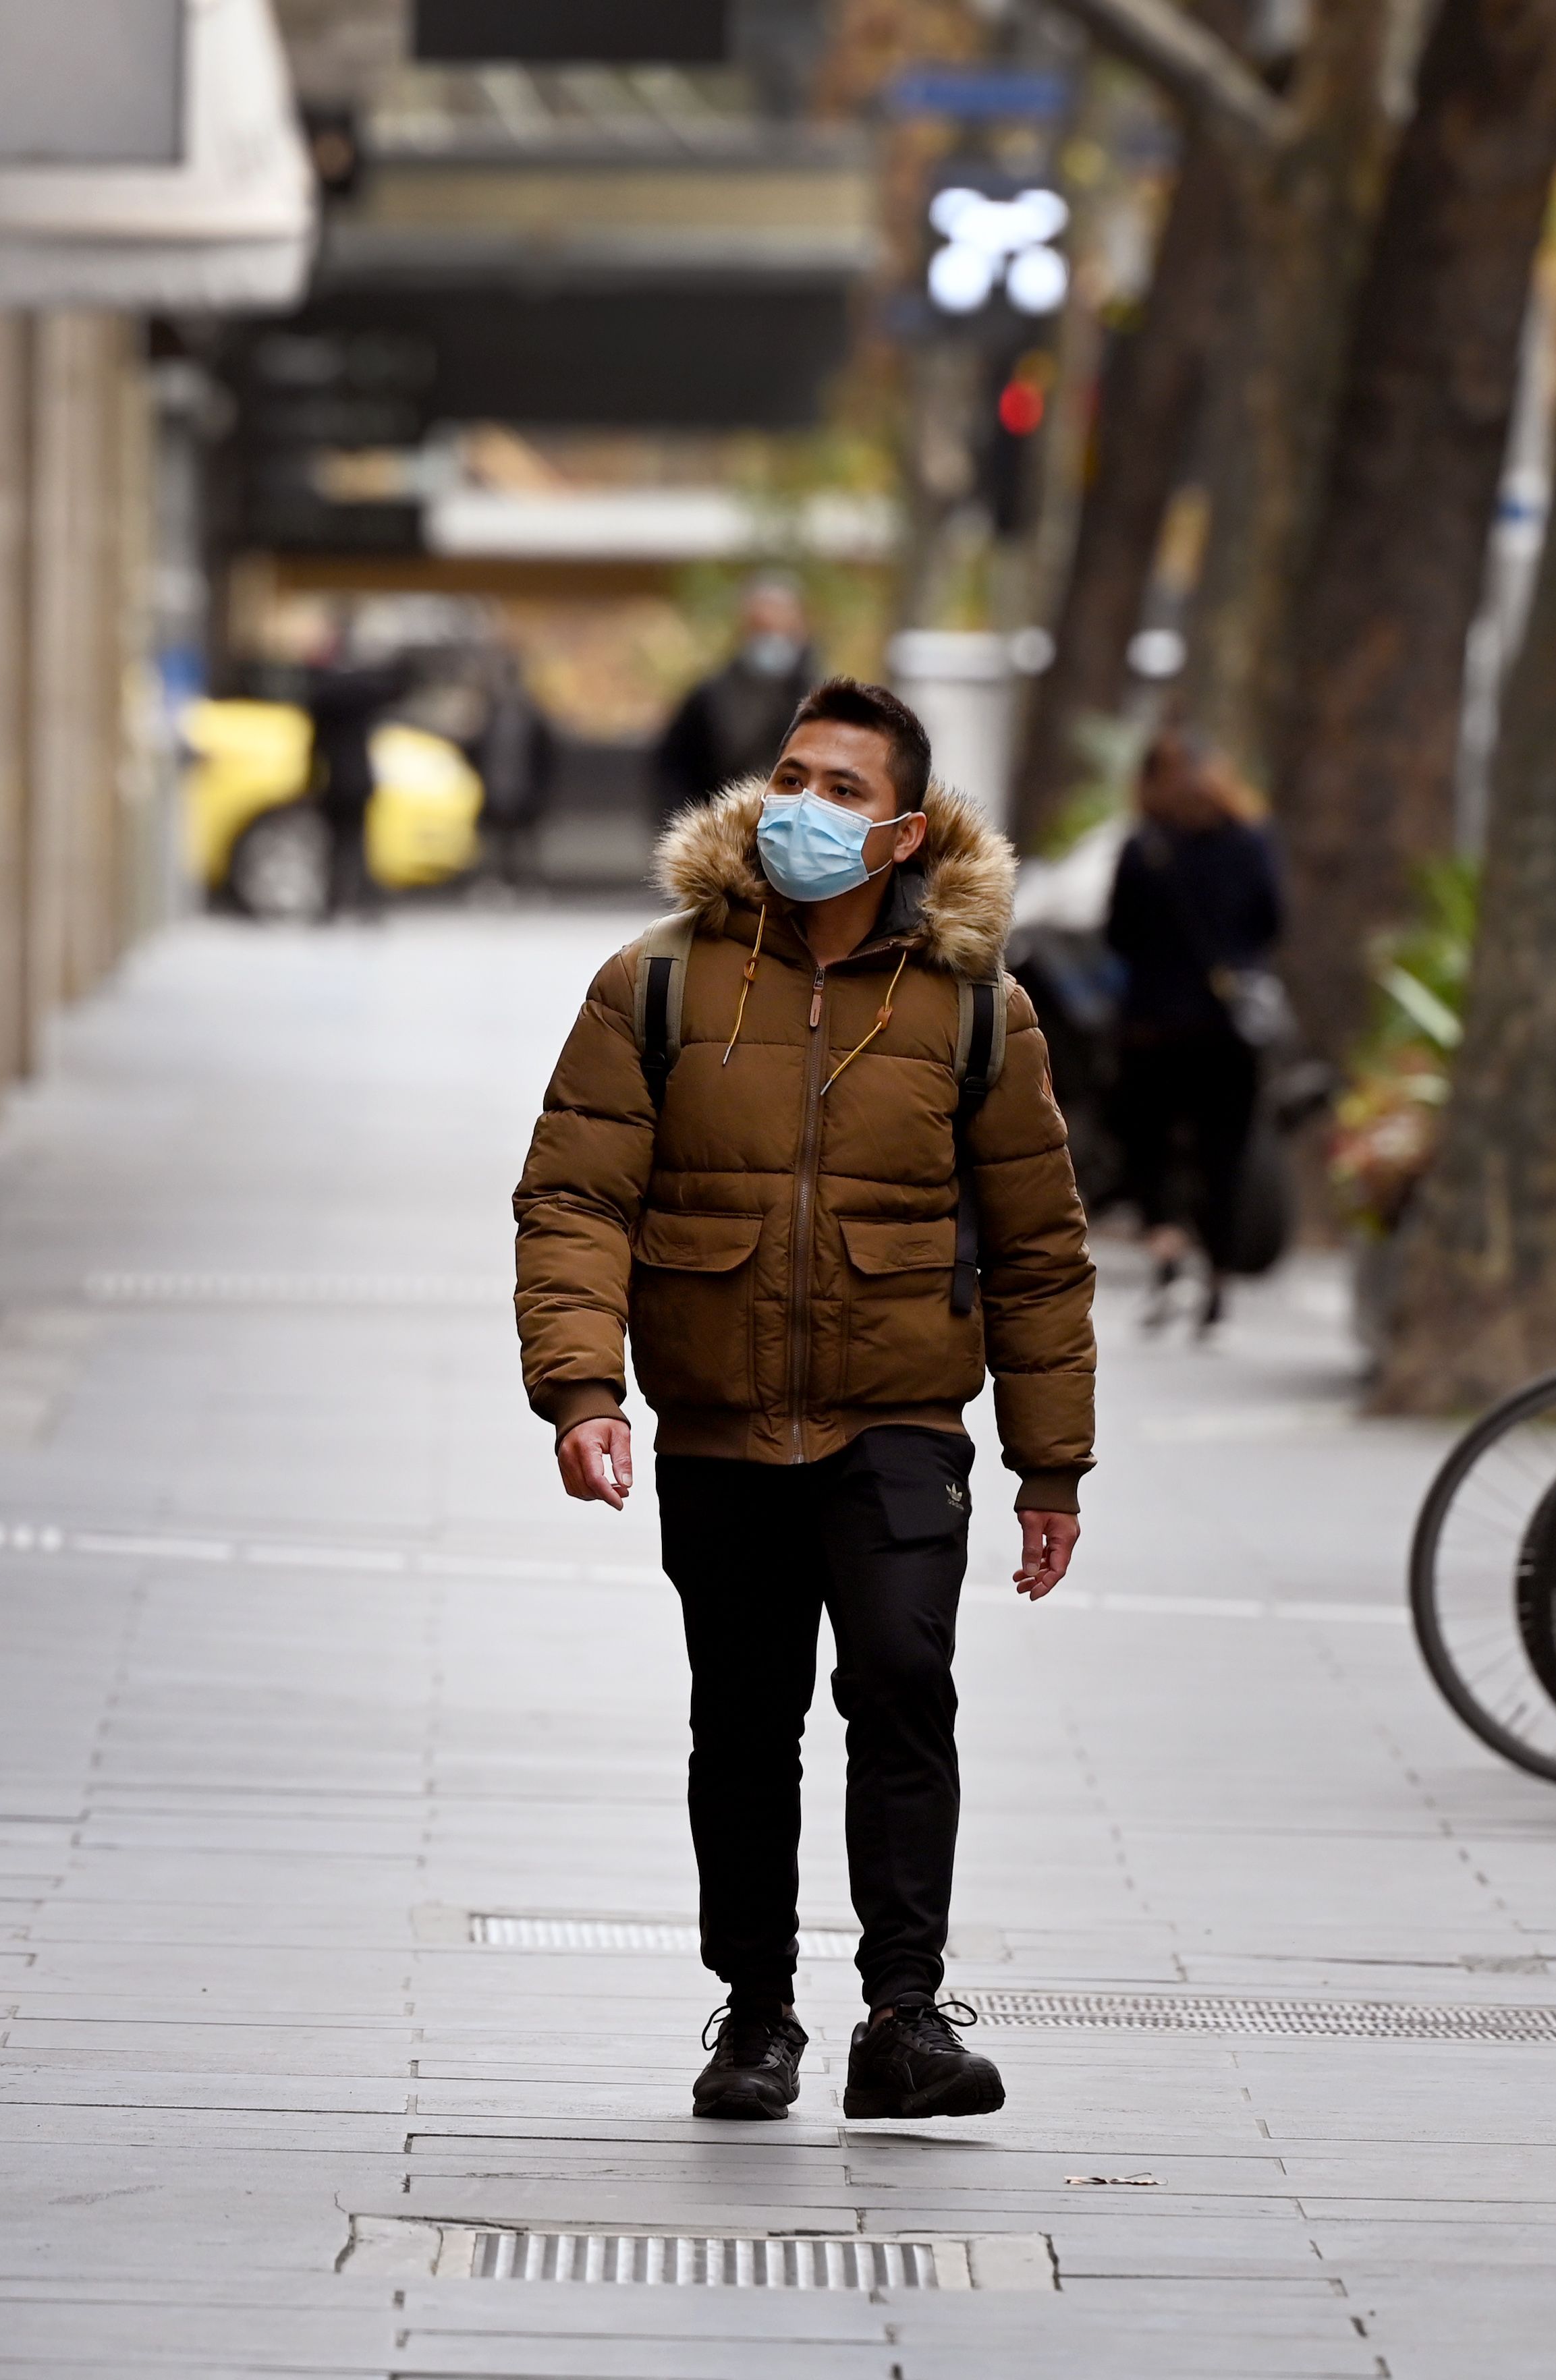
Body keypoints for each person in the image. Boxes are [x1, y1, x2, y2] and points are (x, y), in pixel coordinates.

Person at [514, 677, 1096, 2126]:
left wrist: (1051, 1468)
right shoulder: (653, 984)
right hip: (716, 1422)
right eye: (791, 776)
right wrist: (582, 1385)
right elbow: (574, 1197)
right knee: (745, 1714)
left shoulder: (979, 1013)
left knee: (902, 1684)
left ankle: (903, 2015)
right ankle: (757, 2013)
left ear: (901, 833)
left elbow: (1037, 1250)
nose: (805, 809)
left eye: (843, 791)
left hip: (899, 1416)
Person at [1101, 733, 1283, 1336]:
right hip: (1227, 1028)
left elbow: (1118, 933)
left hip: (1152, 1025)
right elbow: (1271, 919)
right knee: (1225, 1153)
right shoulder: (1250, 841)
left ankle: (1168, 1253)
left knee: (1148, 1146)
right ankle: (1219, 1278)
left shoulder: (1143, 847)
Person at [652, 575, 813, 824]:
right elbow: (674, 770)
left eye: (780, 629)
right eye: (761, 629)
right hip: (726, 835)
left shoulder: (825, 696)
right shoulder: (709, 697)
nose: (771, 639)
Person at [301, 616, 406, 922]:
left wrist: (310, 781)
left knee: (336, 846)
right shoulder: (360, 688)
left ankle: (334, 906)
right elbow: (391, 689)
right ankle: (362, 905)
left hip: (334, 780)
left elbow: (313, 743)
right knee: (357, 844)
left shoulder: (325, 693)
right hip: (357, 779)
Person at [466, 647, 558, 895]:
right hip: (499, 788)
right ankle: (502, 883)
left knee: (521, 841)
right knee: (499, 841)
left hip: (520, 788)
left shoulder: (524, 714)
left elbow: (544, 755)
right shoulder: (495, 712)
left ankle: (525, 884)